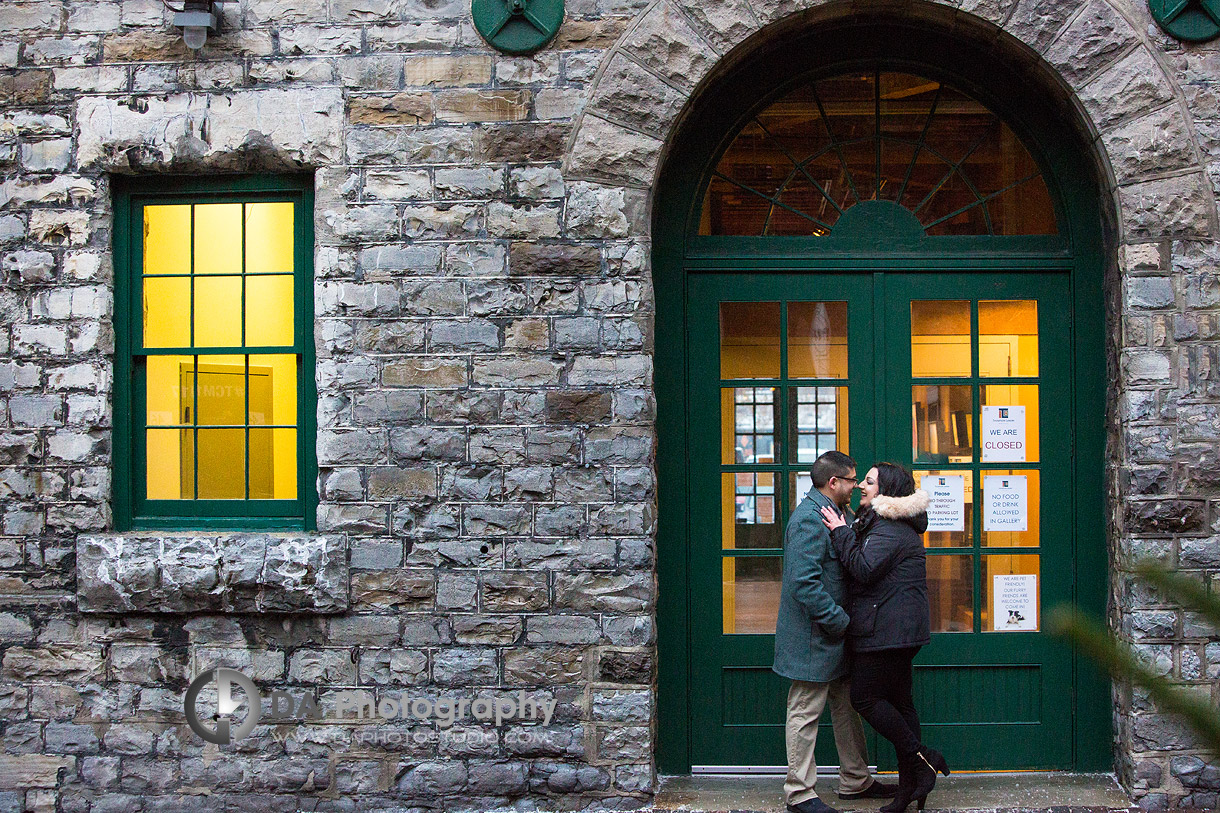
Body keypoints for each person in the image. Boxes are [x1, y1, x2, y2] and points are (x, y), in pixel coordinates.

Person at [819, 463, 951, 812]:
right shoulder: (888, 523)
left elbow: (863, 567)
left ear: (887, 491)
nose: (862, 484)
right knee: (901, 702)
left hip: (888, 630)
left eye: (870, 481)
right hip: (897, 629)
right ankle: (910, 787)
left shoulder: (890, 528)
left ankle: (923, 758)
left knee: (863, 697)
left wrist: (841, 532)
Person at [774, 451, 898, 813]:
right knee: (804, 710)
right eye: (852, 479)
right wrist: (840, 621)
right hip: (815, 636)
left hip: (836, 635)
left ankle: (855, 780)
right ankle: (799, 793)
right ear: (834, 482)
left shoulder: (839, 514)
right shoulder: (808, 520)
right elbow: (804, 583)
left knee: (846, 707)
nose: (857, 485)